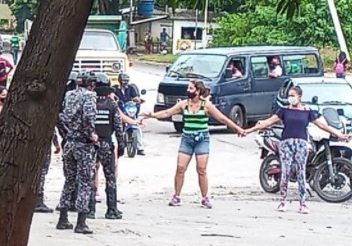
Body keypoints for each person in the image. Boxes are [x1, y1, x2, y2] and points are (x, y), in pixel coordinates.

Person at [141, 80, 246, 209]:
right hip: (187, 139)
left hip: (202, 139)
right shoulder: (184, 104)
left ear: (197, 91)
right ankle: (177, 196)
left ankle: (204, 197)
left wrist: (238, 129)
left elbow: (222, 118)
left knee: (201, 169)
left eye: (191, 89)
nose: (188, 91)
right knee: (180, 167)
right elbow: (167, 113)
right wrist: (151, 115)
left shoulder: (206, 105)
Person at [246, 86, 349, 214]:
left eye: (293, 95)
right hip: (286, 144)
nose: (291, 98)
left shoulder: (307, 111)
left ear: (299, 97)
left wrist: (339, 134)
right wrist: (248, 130)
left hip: (301, 144)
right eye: (289, 95)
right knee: (286, 173)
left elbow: (322, 125)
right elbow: (268, 122)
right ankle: (283, 201)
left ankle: (303, 204)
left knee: (301, 173)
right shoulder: (284, 110)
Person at [56, 72, 98, 234]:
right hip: (83, 144)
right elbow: (88, 117)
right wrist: (91, 135)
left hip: (70, 142)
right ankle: (81, 222)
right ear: (90, 84)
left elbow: (61, 117)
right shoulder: (89, 96)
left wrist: (66, 134)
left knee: (69, 180)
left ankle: (63, 218)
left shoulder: (69, 95)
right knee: (85, 182)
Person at [92, 79, 135, 220]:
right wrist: (121, 147)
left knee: (90, 176)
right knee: (110, 177)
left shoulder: (89, 104)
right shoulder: (112, 105)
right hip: (106, 144)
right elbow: (118, 128)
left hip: (91, 144)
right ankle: (111, 209)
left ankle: (90, 209)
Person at [113, 73, 145, 155]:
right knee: (115, 125)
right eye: (124, 80)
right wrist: (115, 100)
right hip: (119, 110)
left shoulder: (131, 88)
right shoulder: (115, 89)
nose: (125, 82)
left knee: (137, 126)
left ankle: (140, 147)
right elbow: (112, 96)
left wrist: (138, 100)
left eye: (127, 80)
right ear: (120, 81)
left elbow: (135, 97)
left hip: (129, 109)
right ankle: (115, 145)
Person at [35, 131, 60, 214]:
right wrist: (56, 144)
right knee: (41, 172)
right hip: (43, 146)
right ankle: (38, 200)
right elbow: (52, 130)